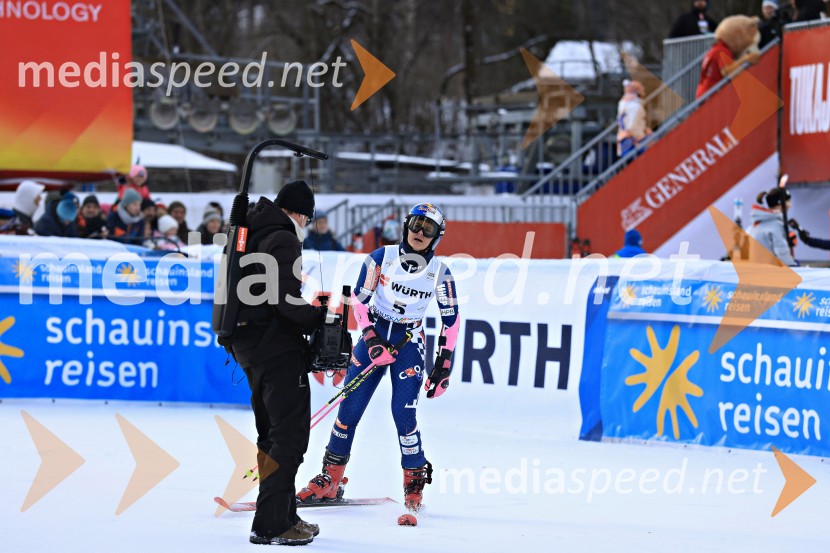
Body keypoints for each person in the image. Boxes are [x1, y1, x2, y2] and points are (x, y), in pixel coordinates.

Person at [297, 203, 461, 520]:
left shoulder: (441, 274)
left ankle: (414, 481)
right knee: (349, 409)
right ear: (406, 225)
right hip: (373, 337)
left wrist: (443, 366)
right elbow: (359, 302)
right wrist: (371, 340)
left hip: (408, 343)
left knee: (403, 413)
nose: (419, 232)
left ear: (437, 236)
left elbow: (451, 321)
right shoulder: (380, 258)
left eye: (428, 228)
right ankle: (331, 477)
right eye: (415, 224)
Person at [228, 180, 328, 546]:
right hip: (275, 348)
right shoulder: (283, 239)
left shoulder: (253, 230)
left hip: (248, 345)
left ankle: (281, 514)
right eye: (307, 219)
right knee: (289, 437)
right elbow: (284, 299)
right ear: (300, 214)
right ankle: (272, 524)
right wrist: (318, 317)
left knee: (271, 435)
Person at [748, 187, 796, 265]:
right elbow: (782, 253)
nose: (789, 205)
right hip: (770, 270)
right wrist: (793, 266)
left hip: (757, 269)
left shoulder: (755, 225)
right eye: (788, 201)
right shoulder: (776, 226)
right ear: (780, 203)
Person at [616, 80, 651, 157]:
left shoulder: (623, 103)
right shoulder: (635, 105)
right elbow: (633, 125)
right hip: (634, 139)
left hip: (624, 137)